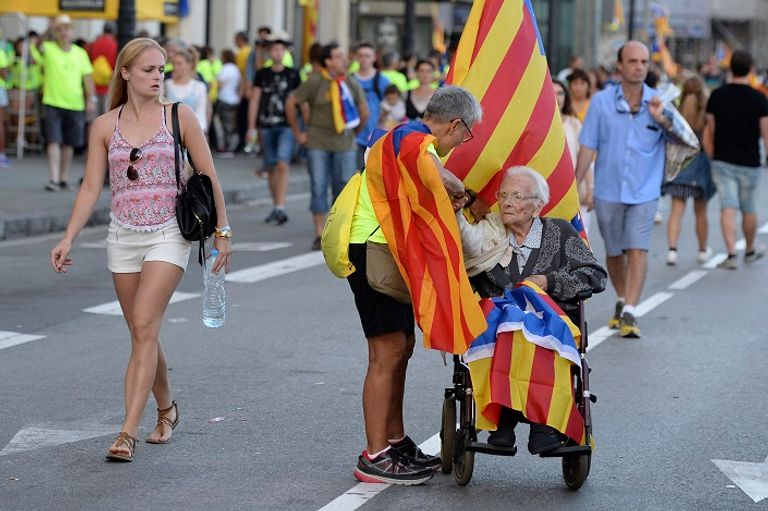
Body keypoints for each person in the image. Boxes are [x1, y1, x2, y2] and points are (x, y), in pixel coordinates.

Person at [50, 38, 232, 462]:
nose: (157, 77)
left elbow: (208, 174)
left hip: (169, 233)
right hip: (122, 236)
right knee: (141, 332)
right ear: (126, 73)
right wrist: (68, 237)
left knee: (146, 323)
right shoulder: (103, 126)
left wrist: (223, 231)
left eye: (161, 70)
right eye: (148, 69)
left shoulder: (179, 116)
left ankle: (126, 431)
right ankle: (167, 409)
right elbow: (91, 187)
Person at [346, 85, 478, 484]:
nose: (461, 143)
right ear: (454, 124)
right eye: (465, 135)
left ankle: (395, 439)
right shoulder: (411, 136)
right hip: (373, 247)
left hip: (389, 250)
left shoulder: (410, 139)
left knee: (402, 346)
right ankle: (374, 455)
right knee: (385, 351)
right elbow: (432, 167)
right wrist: (459, 189)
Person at [456, 166, 606, 451]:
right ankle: (504, 419)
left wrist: (548, 281)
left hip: (551, 323)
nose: (507, 202)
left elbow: (594, 276)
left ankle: (544, 425)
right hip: (499, 328)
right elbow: (462, 274)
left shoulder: (560, 232)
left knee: (534, 334)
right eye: (503, 195)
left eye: (518, 196)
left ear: (538, 205)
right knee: (508, 324)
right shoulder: (490, 235)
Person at [575, 41, 681, 338]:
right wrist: (575, 183)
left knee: (638, 248)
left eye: (644, 62)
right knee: (615, 251)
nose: (639, 67)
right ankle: (622, 299)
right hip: (608, 190)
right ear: (620, 66)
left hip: (644, 192)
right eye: (633, 61)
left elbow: (683, 143)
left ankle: (631, 310)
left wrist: (664, 121)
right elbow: (588, 145)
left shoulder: (660, 102)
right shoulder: (601, 102)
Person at [285, 43, 369, 250]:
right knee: (319, 185)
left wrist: (354, 134)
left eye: (343, 56)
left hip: (345, 143)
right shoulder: (315, 81)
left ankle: (338, 232)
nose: (344, 60)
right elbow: (291, 102)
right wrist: (298, 133)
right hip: (318, 142)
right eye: (339, 57)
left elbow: (363, 110)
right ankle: (319, 233)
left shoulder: (349, 82)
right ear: (328, 61)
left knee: (343, 188)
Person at [704, 49, 768, 269]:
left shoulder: (717, 96)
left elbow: (710, 130)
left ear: (730, 69)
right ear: (750, 70)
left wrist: (713, 155)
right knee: (749, 207)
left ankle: (731, 254)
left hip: (723, 159)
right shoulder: (759, 98)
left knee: (727, 207)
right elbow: (766, 133)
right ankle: (750, 249)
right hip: (750, 161)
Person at [36, 15, 96, 191]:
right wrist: (49, 27)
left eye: (67, 29)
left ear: (72, 32)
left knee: (69, 143)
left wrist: (90, 99)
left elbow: (87, 78)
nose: (63, 32)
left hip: (75, 103)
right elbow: (36, 45)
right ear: (55, 32)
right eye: (60, 29)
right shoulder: (48, 48)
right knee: (53, 140)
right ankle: (53, 178)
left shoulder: (80, 53)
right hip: (52, 101)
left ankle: (63, 177)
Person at [247, 31, 301, 225]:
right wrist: (251, 127)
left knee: (282, 163)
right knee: (270, 166)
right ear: (270, 52)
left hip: (286, 124)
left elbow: (300, 101)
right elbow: (255, 99)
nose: (277, 53)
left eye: (281, 50)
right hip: (266, 124)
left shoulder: (293, 74)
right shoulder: (262, 74)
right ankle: (276, 205)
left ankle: (281, 205)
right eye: (274, 50)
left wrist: (302, 128)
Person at [663, 76, 715, 266]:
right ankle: (702, 250)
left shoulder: (677, 114)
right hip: (700, 169)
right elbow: (709, 142)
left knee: (676, 211)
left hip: (679, 167)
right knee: (701, 212)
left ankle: (672, 250)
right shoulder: (705, 114)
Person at [553, 79, 593, 235]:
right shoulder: (535, 125)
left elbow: (585, 158)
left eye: (560, 93)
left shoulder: (574, 124)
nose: (557, 97)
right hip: (545, 192)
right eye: (553, 92)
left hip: (574, 190)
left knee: (578, 238)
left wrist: (590, 188)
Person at [353, 42, 390, 168]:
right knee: (354, 175)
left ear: (374, 57)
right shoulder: (349, 79)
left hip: (375, 136)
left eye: (367, 56)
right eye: (361, 55)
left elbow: (392, 105)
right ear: (356, 57)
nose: (364, 59)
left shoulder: (382, 80)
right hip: (353, 136)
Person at [164, 45, 208, 133]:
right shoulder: (166, 84)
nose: (175, 67)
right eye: (173, 64)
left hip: (193, 133)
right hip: (170, 134)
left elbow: (201, 114)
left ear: (189, 65)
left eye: (179, 64)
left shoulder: (199, 87)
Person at [87, 22, 118, 119]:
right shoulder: (115, 45)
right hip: (108, 87)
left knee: (93, 120)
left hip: (93, 87)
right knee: (107, 119)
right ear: (114, 31)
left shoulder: (93, 44)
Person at [213, 49, 241, 156]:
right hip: (234, 98)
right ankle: (231, 145)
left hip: (224, 98)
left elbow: (220, 84)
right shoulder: (236, 69)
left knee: (225, 124)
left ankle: (228, 147)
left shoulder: (225, 69)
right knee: (232, 123)